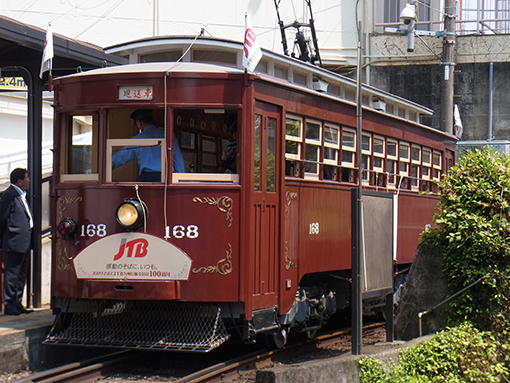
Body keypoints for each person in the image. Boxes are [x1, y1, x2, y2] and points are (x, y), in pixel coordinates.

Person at [112, 109, 185, 182]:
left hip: (148, 177)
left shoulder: (137, 139)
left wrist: (105, 169)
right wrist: (181, 179)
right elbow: (177, 158)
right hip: (168, 176)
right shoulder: (168, 136)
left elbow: (121, 157)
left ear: (139, 122)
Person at [0, 168, 33, 315]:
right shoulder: (9, 195)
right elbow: (2, 218)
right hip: (13, 241)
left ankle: (17, 301)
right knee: (12, 274)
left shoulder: (22, 196)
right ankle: (9, 304)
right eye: (27, 178)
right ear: (19, 181)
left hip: (24, 241)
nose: (29, 181)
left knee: (21, 274)